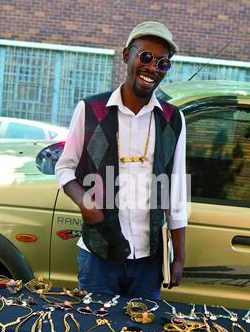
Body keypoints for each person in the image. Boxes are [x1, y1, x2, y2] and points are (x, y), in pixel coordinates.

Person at [55, 21, 187, 300]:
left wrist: (178, 257)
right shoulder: (91, 110)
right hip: (99, 256)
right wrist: (84, 202)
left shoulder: (172, 119)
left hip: (149, 262)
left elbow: (176, 191)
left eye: (163, 63)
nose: (152, 68)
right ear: (127, 55)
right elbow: (65, 168)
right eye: (146, 57)